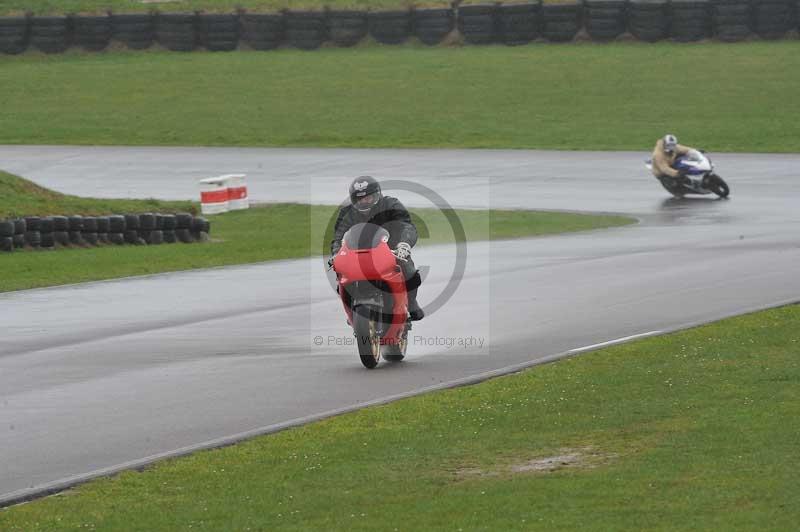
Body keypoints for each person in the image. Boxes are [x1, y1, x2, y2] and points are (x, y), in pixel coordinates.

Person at [329, 176, 425, 321]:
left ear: (378, 194)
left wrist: (404, 244)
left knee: (410, 272)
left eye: (368, 197)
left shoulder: (391, 204)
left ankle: (411, 303)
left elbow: (407, 226)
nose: (364, 201)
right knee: (341, 278)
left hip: (391, 250)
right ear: (354, 200)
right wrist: (337, 253)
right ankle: (352, 311)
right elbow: (338, 236)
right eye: (360, 199)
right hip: (358, 254)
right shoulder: (347, 213)